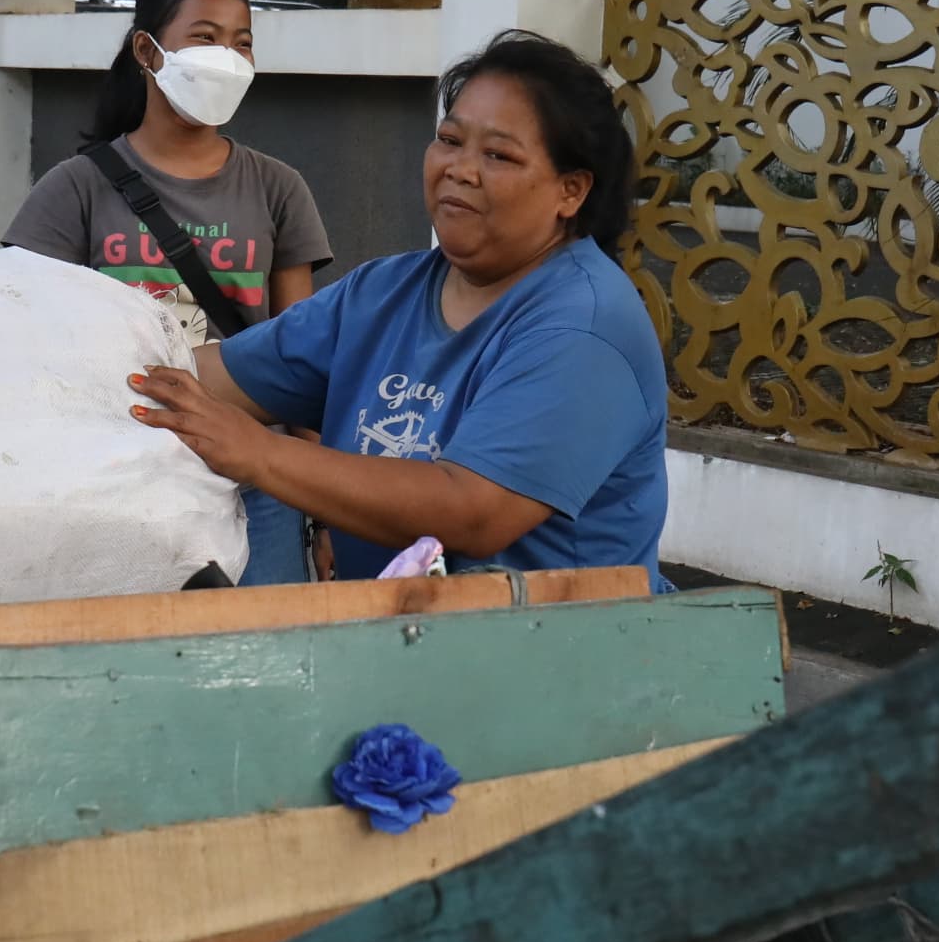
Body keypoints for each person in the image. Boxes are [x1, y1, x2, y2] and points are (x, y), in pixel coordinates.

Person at [129, 29, 667, 580]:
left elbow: (472, 512)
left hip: (559, 650)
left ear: (570, 191)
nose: (460, 169)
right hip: (395, 642)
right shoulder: (382, 293)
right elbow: (200, 378)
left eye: (499, 154)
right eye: (450, 140)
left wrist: (257, 452)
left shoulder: (585, 327)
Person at [4, 0, 336, 586]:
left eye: (243, 43)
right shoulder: (76, 187)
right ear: (147, 51)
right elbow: (27, 344)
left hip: (254, 481)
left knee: (260, 657)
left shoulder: (278, 187)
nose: (228, 58)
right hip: (118, 476)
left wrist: (323, 508)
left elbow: (302, 358)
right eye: (206, 39)